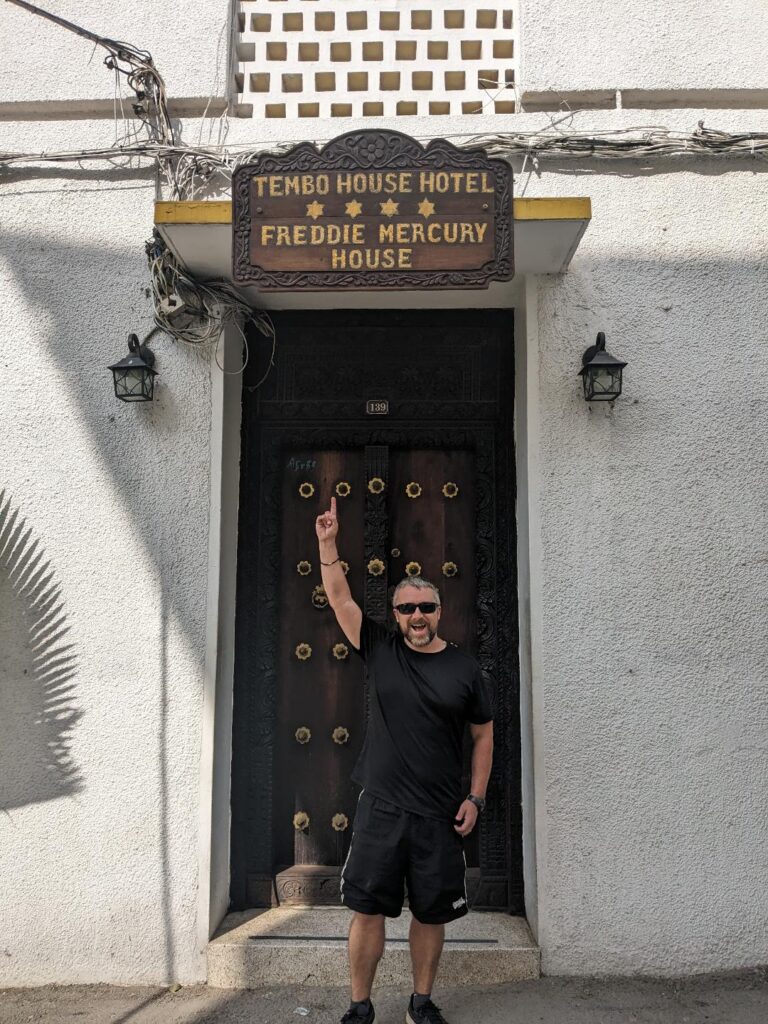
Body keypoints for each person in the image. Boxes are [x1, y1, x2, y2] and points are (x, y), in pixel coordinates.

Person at [316, 496, 494, 1024]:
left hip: (441, 812)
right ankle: (360, 1005)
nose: (417, 616)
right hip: (382, 807)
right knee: (367, 908)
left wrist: (476, 798)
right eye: (407, 608)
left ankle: (421, 1001)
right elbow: (340, 597)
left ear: (440, 612)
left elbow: (483, 737)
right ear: (395, 615)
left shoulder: (466, 670)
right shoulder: (381, 648)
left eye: (426, 607)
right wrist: (327, 544)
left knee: (431, 911)